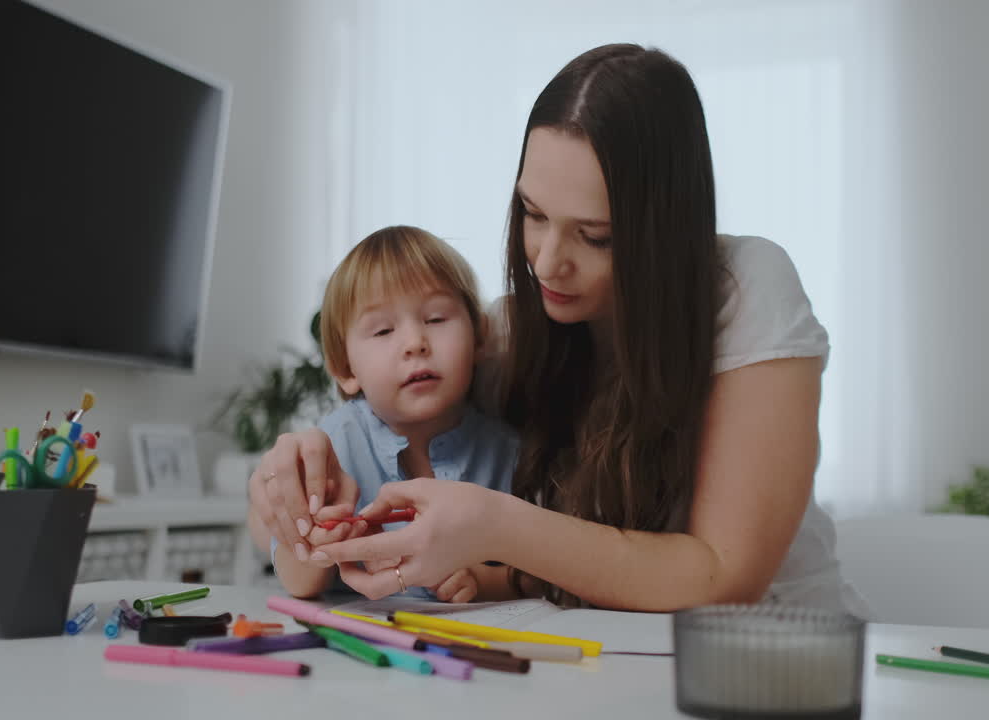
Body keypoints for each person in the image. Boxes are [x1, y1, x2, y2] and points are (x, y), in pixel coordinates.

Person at [249, 44, 869, 615]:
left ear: (665, 233)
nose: (546, 263)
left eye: (595, 235)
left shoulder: (743, 287)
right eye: (533, 214)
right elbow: (349, 457)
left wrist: (496, 526)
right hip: (608, 658)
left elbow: (722, 579)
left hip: (776, 650)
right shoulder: (505, 338)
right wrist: (282, 492)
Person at [250, 225, 519, 601]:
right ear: (345, 369)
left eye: (436, 319)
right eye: (382, 331)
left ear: (479, 335)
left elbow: (543, 571)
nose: (415, 343)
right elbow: (301, 584)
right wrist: (316, 539)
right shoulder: (332, 446)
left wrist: (483, 580)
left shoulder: (508, 449)